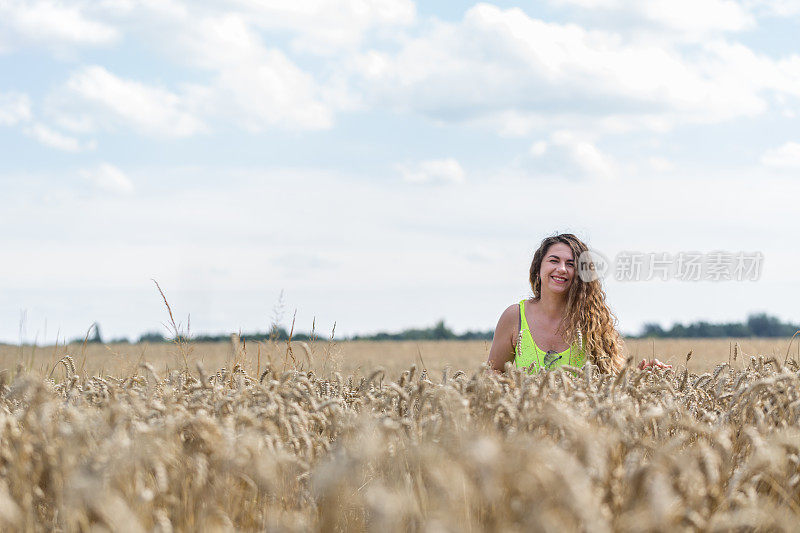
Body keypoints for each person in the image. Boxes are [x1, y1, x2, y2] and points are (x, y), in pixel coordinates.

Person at [487, 233, 670, 374]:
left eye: (571, 264)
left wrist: (642, 375)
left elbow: (613, 382)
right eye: (554, 260)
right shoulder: (514, 317)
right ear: (537, 270)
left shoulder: (593, 321)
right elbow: (492, 376)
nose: (561, 269)